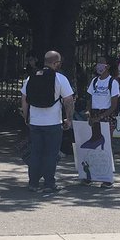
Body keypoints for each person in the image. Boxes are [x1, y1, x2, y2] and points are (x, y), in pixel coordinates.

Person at [21, 51, 75, 193]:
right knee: (51, 153)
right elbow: (68, 100)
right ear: (55, 63)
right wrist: (69, 119)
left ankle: (33, 182)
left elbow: (24, 100)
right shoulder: (60, 78)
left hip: (35, 122)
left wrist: (26, 118)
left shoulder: (31, 78)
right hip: (53, 123)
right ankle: (49, 183)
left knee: (36, 152)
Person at [82, 57, 120, 151]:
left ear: (108, 66)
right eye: (97, 62)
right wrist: (88, 110)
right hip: (94, 113)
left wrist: (100, 117)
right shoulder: (94, 81)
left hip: (106, 114)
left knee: (106, 145)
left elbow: (114, 105)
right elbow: (90, 98)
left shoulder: (113, 82)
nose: (98, 64)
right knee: (94, 142)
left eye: (101, 62)